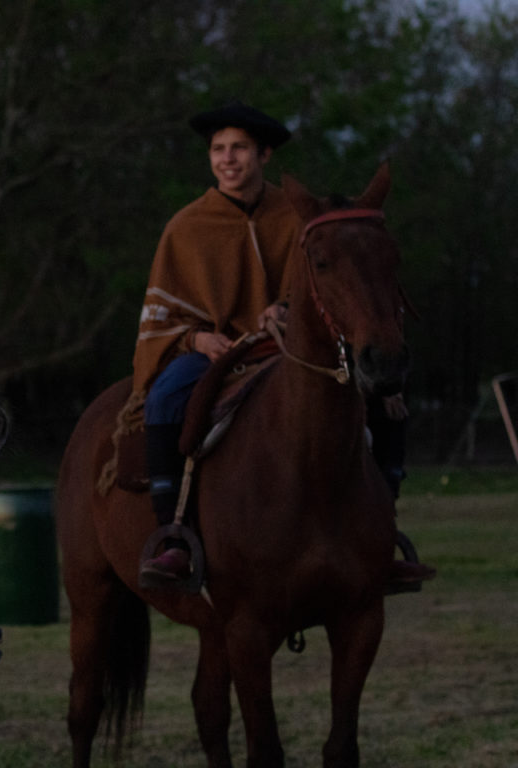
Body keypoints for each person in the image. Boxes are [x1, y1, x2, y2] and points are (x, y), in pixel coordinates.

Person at [132, 101, 435, 590]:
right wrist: (195, 337)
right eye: (218, 150)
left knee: (388, 400)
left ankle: (383, 533)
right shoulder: (186, 227)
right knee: (166, 396)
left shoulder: (299, 218)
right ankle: (173, 536)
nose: (228, 159)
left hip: (287, 350)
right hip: (215, 350)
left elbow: (329, 289)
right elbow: (164, 313)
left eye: (240, 149)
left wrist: (286, 311)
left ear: (264, 155)